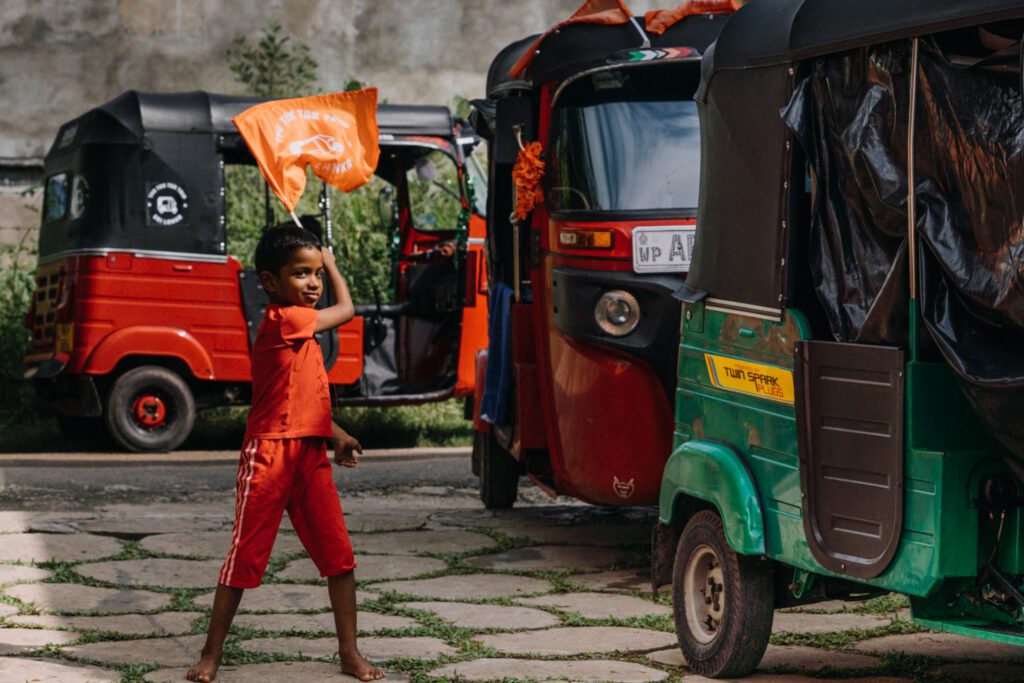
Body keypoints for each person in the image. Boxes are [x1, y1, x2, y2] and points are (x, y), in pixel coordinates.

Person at [187, 224, 384, 682]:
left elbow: (304, 400)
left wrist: (337, 435)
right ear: (271, 283)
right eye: (302, 273)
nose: (313, 282)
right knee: (245, 557)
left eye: (317, 272)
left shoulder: (304, 335)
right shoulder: (285, 322)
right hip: (269, 456)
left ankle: (349, 653)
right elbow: (349, 309)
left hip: (309, 456)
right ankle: (211, 653)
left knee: (339, 557)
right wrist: (335, 263)